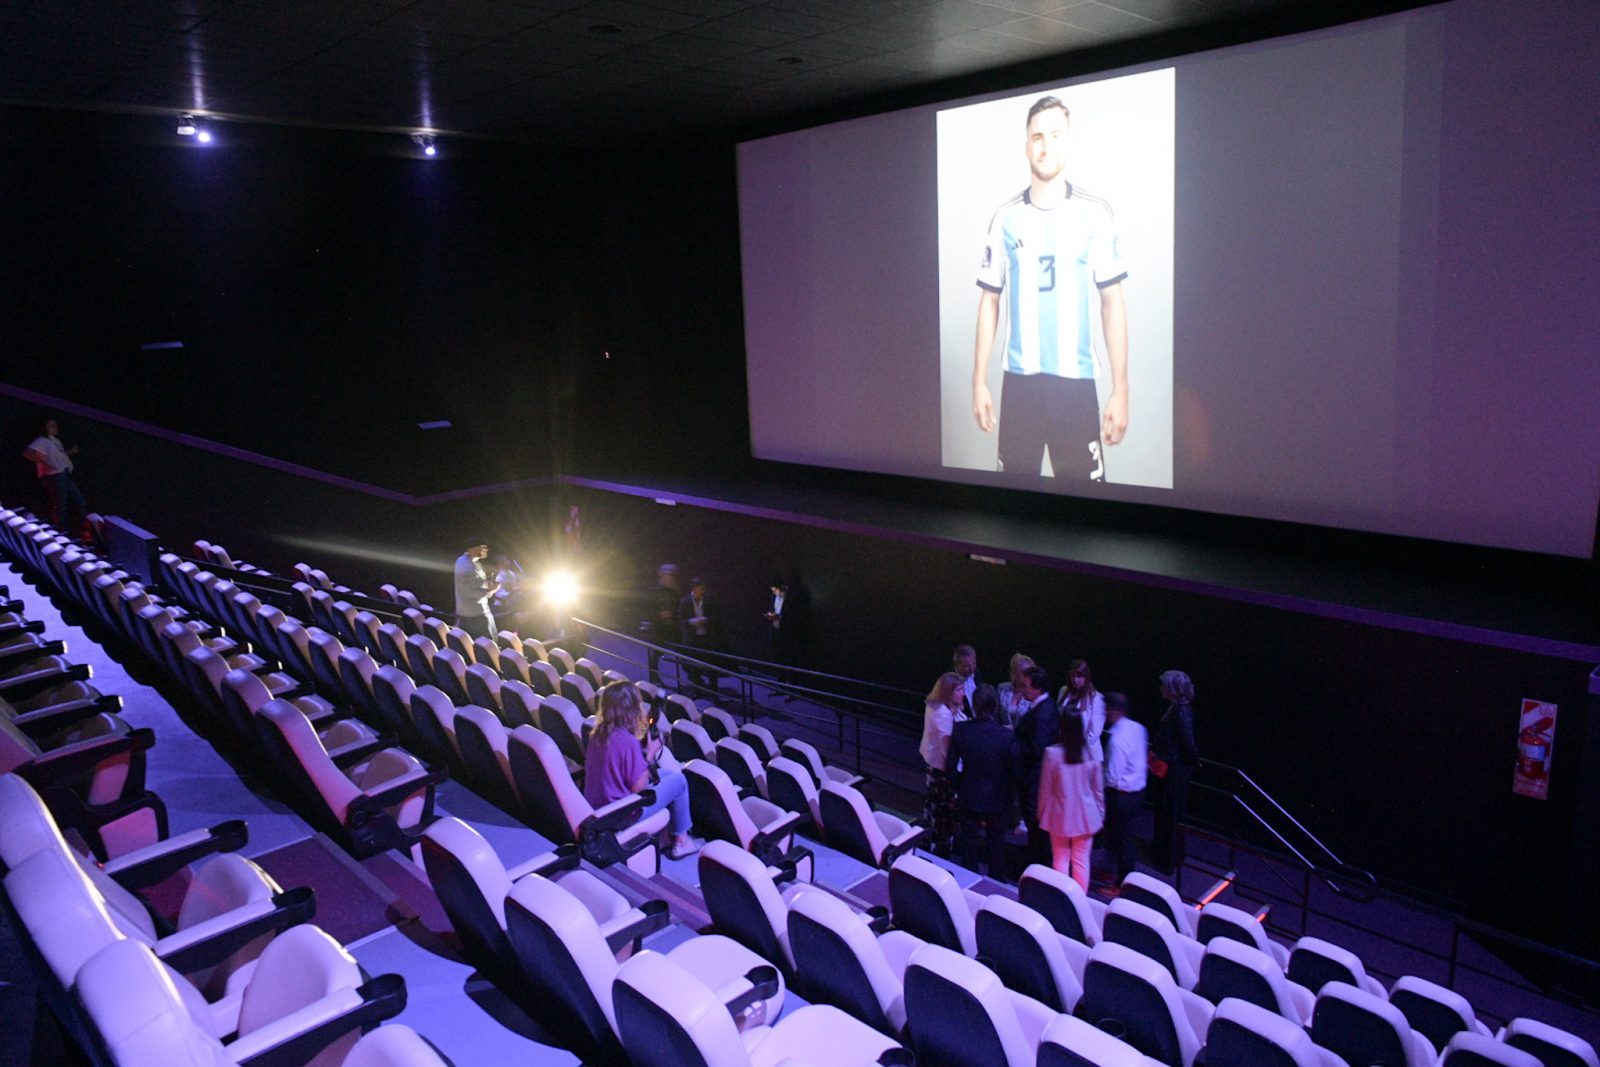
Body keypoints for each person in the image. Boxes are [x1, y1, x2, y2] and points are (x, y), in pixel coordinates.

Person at [972, 95, 1129, 482]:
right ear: (1027, 146)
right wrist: (978, 382)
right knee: (1013, 503)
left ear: (1068, 142)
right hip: (1020, 388)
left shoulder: (1095, 214)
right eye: (1037, 137)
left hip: (1075, 387)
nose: (1046, 146)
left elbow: (1112, 302)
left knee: (1087, 507)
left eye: (1055, 136)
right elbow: (989, 300)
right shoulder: (1005, 218)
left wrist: (1121, 389)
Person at [584, 681, 702, 860]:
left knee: (668, 775)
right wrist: (650, 753)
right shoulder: (628, 742)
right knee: (679, 781)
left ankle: (666, 836)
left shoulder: (598, 735)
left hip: (599, 807)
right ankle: (682, 843)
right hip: (621, 814)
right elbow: (639, 788)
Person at [948, 684, 1013, 880]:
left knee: (969, 840)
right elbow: (1013, 769)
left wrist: (956, 788)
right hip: (997, 796)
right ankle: (998, 879)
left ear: (974, 705)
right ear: (995, 707)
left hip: (969, 792)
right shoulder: (1006, 735)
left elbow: (950, 766)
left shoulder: (961, 730)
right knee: (997, 841)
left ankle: (968, 880)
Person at [1037, 704, 1105, 891]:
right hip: (1086, 816)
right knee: (1081, 860)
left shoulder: (1052, 754)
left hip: (1059, 814)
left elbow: (1045, 789)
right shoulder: (1091, 754)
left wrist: (1041, 813)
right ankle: (1079, 900)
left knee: (1060, 859)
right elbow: (1098, 791)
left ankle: (1062, 899)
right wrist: (1100, 814)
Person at [1149, 669, 1199, 875]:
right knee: (1166, 812)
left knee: (1171, 814)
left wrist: (1193, 760)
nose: (1161, 688)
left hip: (1175, 770)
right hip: (1171, 767)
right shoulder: (1175, 708)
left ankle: (1168, 859)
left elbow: (1187, 742)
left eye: (1164, 685)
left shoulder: (1181, 711)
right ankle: (1165, 855)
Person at [1010, 665, 1059, 868]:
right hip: (1034, 776)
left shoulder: (1042, 713)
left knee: (1035, 822)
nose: (1022, 689)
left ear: (1038, 688)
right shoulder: (1045, 706)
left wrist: (1013, 744)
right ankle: (1035, 856)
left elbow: (1037, 748)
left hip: (1033, 778)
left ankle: (1037, 862)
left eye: (1025, 686)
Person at [918, 671, 968, 857]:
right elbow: (947, 751)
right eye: (959, 690)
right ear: (948, 691)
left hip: (932, 764)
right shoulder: (943, 715)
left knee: (932, 806)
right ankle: (941, 849)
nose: (963, 694)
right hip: (941, 770)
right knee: (943, 812)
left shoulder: (934, 705)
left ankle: (930, 842)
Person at [1100, 691, 1147, 888]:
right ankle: (1111, 872)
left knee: (1122, 840)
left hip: (1121, 796)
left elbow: (1112, 776)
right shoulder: (1138, 728)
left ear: (1112, 710)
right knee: (1119, 837)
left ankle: (1122, 884)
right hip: (1136, 793)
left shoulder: (1117, 740)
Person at [22, 416, 86, 538]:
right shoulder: (42, 440)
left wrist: (69, 453)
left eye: (55, 425)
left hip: (64, 474)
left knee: (78, 502)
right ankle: (60, 533)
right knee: (60, 504)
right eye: (51, 425)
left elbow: (57, 457)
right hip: (55, 476)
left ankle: (72, 531)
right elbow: (27, 452)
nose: (55, 427)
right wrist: (47, 463)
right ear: (44, 428)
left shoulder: (55, 441)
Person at [677, 576, 721, 695]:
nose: (703, 592)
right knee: (694, 666)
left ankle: (714, 692)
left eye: (704, 589)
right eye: (701, 589)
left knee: (711, 666)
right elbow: (681, 620)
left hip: (707, 638)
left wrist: (706, 620)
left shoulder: (709, 600)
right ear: (694, 589)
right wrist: (691, 622)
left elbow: (717, 617)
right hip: (692, 639)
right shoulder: (685, 601)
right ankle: (697, 691)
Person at [1058, 659, 1106, 764]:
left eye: (1079, 676)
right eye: (1073, 676)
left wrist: (1075, 749)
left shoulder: (1096, 698)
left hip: (1088, 756)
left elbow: (1093, 734)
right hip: (1065, 751)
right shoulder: (1063, 691)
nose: (1075, 680)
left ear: (1086, 677)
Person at [452, 539, 501, 640]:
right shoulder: (466, 565)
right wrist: (491, 590)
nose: (486, 549)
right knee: (487, 644)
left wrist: (488, 582)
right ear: (472, 549)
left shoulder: (471, 562)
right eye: (483, 547)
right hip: (475, 615)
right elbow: (468, 591)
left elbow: (476, 582)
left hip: (476, 612)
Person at [643, 564, 681, 686]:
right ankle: (654, 678)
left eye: (672, 575)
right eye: (667, 574)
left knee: (681, 651)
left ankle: (692, 678)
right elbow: (647, 609)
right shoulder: (654, 591)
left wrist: (673, 616)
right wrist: (659, 614)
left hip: (671, 626)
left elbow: (678, 607)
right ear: (661, 575)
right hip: (657, 627)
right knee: (655, 653)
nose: (670, 577)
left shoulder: (675, 592)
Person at [997, 652, 1036, 728]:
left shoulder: (1034, 694)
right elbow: (995, 715)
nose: (1028, 677)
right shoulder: (1002, 688)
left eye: (1030, 673)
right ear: (1014, 673)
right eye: (1024, 673)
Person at [952, 644, 980, 714]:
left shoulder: (977, 672)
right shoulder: (949, 681)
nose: (971, 668)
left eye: (973, 663)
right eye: (967, 666)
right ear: (957, 665)